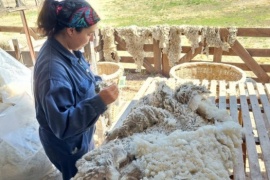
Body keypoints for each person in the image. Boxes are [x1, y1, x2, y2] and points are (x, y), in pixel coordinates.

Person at [33, 0, 119, 179]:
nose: (92, 39)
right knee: (79, 175)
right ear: (71, 30)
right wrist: (99, 102)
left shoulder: (68, 49)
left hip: (81, 136)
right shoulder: (53, 72)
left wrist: (97, 84)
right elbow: (62, 126)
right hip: (68, 147)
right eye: (89, 34)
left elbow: (82, 78)